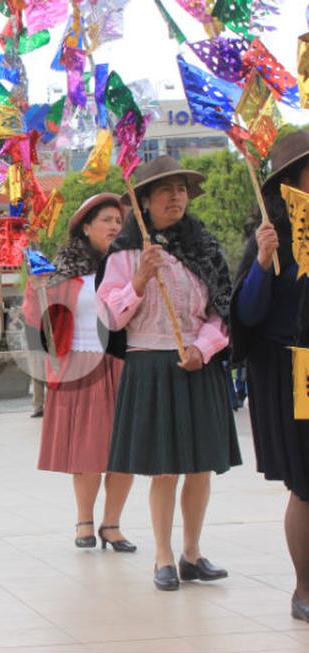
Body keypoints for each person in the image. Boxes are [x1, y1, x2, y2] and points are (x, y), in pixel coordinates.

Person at [97, 156, 240, 592]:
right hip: (151, 365)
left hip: (197, 364)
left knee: (199, 468)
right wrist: (139, 280)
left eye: (181, 189)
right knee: (164, 469)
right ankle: (163, 555)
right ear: (143, 202)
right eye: (165, 190)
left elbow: (223, 312)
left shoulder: (206, 248)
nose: (176, 196)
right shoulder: (125, 254)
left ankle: (192, 554)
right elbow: (110, 316)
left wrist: (204, 348)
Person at [23, 193, 135, 551]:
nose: (114, 226)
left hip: (122, 365)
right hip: (80, 367)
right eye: (106, 220)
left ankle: (112, 524)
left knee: (125, 450)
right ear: (85, 227)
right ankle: (84, 521)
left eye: (118, 221)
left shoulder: (129, 265)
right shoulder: (61, 273)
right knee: (88, 451)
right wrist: (37, 290)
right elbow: (35, 319)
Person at [230, 129, 309, 622]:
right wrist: (261, 264)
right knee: (306, 486)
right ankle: (305, 589)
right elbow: (248, 314)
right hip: (291, 370)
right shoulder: (272, 238)